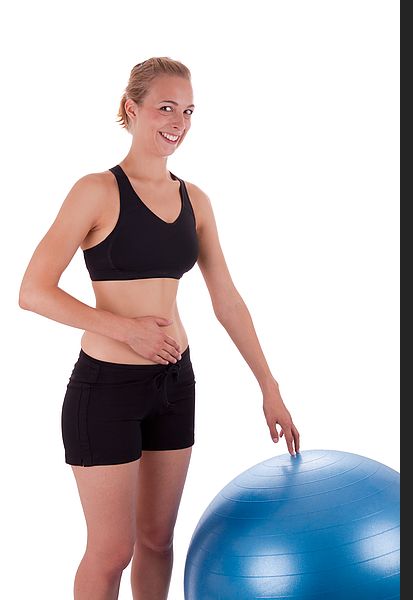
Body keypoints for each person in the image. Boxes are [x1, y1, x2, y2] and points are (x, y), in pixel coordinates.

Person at [18, 57, 300, 600]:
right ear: (133, 108)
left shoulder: (196, 200)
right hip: (106, 389)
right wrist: (126, 330)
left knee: (156, 539)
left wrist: (270, 388)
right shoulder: (96, 190)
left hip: (175, 385)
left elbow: (228, 300)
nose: (178, 121)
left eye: (188, 110)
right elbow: (33, 291)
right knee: (111, 551)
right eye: (166, 107)